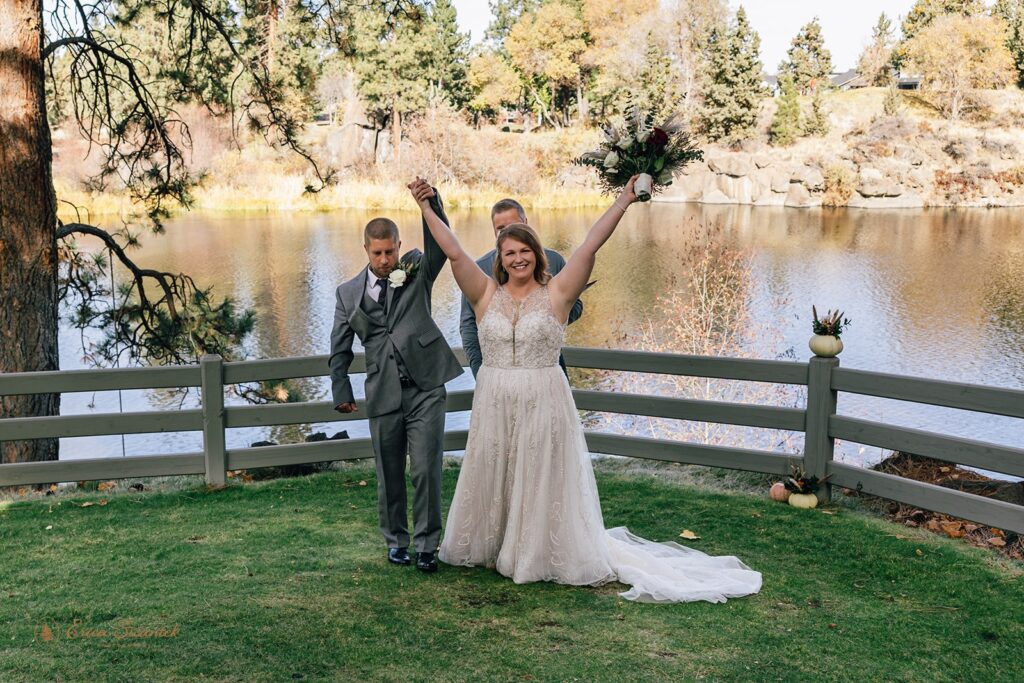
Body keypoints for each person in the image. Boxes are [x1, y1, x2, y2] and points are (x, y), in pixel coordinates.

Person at [407, 176, 762, 603]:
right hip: (495, 399)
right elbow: (453, 250)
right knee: (495, 470)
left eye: (525, 252)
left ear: (536, 256)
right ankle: (494, 545)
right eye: (509, 253)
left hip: (544, 398)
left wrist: (624, 200)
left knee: (539, 475)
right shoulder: (484, 294)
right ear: (499, 260)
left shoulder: (556, 293)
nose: (518, 259)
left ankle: (536, 553)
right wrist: (426, 208)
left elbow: (591, 245)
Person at [328, 192, 463, 574]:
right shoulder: (347, 294)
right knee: (389, 473)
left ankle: (426, 545)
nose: (386, 261)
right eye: (378, 254)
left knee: (425, 469)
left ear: (399, 247)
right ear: (366, 250)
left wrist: (429, 204)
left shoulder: (416, 269)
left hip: (426, 388)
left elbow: (441, 245)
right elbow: (339, 348)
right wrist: (342, 391)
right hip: (383, 391)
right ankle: (396, 542)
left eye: (390, 252)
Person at [459, 199, 583, 378]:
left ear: (526, 223)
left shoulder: (554, 260)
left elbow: (576, 306)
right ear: (494, 231)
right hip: (496, 375)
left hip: (546, 370)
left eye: (514, 225)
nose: (509, 232)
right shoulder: (479, 270)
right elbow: (468, 326)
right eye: (501, 228)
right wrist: (480, 374)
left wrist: (542, 320)